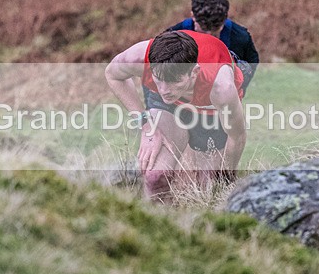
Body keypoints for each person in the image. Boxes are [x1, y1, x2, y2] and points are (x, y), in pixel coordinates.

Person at [105, 30, 246, 201]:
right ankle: (163, 223)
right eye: (158, 79)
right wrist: (146, 124)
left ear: (194, 72)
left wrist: (226, 178)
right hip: (168, 107)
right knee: (155, 178)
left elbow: (236, 136)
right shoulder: (139, 59)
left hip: (210, 108)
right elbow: (112, 74)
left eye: (174, 81)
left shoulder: (221, 88)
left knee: (208, 189)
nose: (164, 89)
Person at [167, 0, 259, 92]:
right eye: (203, 29)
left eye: (215, 30)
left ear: (225, 19)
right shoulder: (174, 35)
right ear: (193, 16)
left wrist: (237, 88)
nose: (209, 35)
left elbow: (251, 63)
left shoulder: (240, 37)